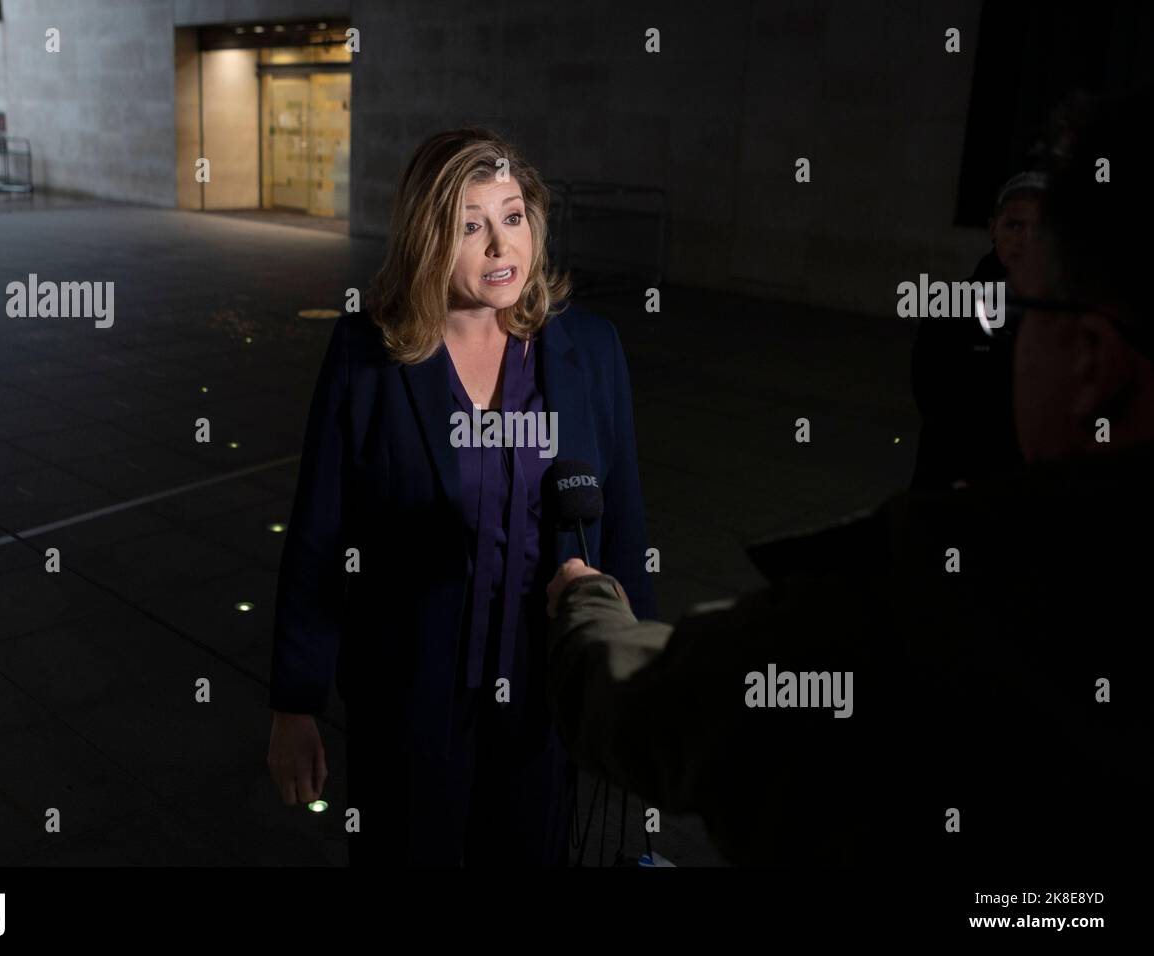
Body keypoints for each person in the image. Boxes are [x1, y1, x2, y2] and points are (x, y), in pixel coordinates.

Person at [545, 90, 1152, 866]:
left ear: (1092, 363)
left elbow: (669, 709)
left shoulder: (927, 614)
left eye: (1033, 312)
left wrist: (585, 603)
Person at [265, 127, 656, 866]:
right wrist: (295, 701)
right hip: (412, 702)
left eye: (513, 217)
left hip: (545, 698)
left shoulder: (591, 350)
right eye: (471, 226)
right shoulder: (366, 355)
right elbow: (321, 535)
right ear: (426, 239)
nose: (501, 247)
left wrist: (639, 683)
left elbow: (625, 523)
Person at [909, 171, 1046, 492]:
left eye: (1040, 230)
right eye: (1015, 225)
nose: (1025, 240)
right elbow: (934, 401)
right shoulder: (950, 307)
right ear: (993, 229)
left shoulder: (1067, 316)